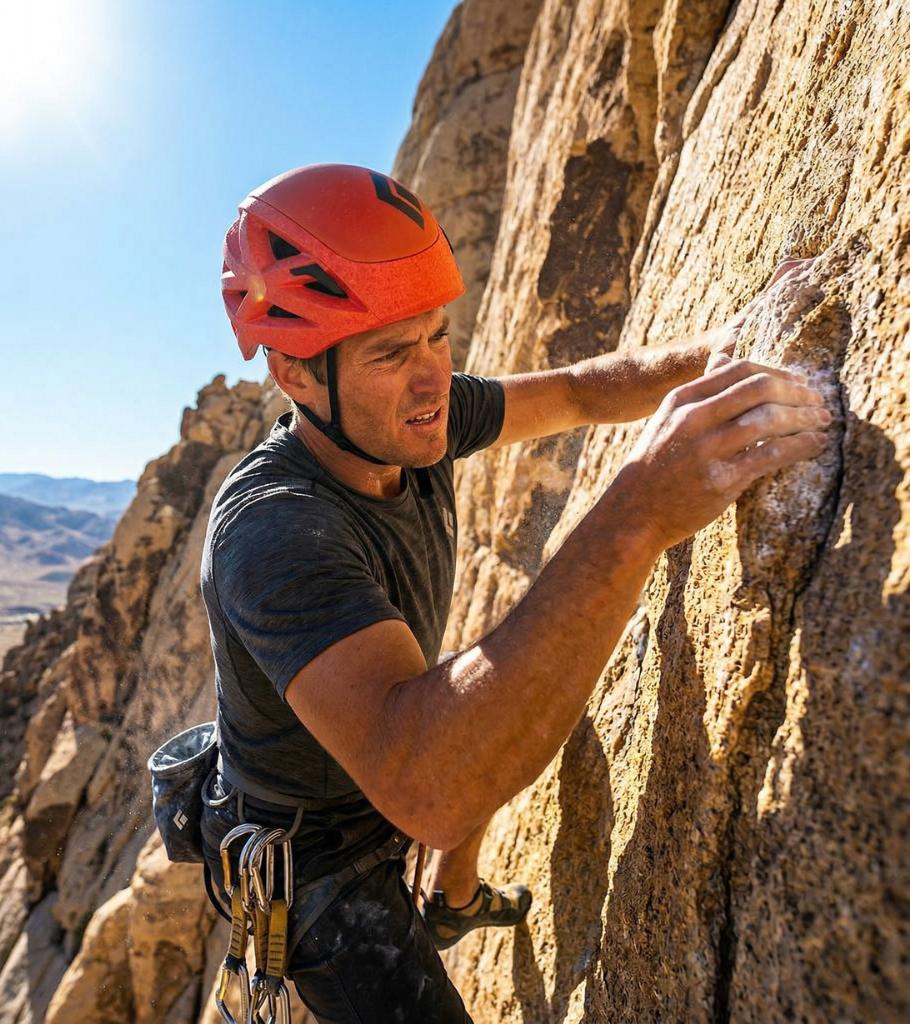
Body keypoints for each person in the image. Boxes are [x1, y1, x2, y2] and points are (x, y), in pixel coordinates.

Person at [199, 163, 830, 1023]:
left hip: (395, 746)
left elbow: (576, 391)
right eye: (392, 353)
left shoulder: (405, 417)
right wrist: (637, 512)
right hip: (315, 858)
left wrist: (719, 352)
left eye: (437, 337)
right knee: (463, 727)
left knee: (483, 687)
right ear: (295, 376)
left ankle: (454, 902)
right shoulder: (273, 533)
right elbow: (430, 785)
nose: (432, 381)